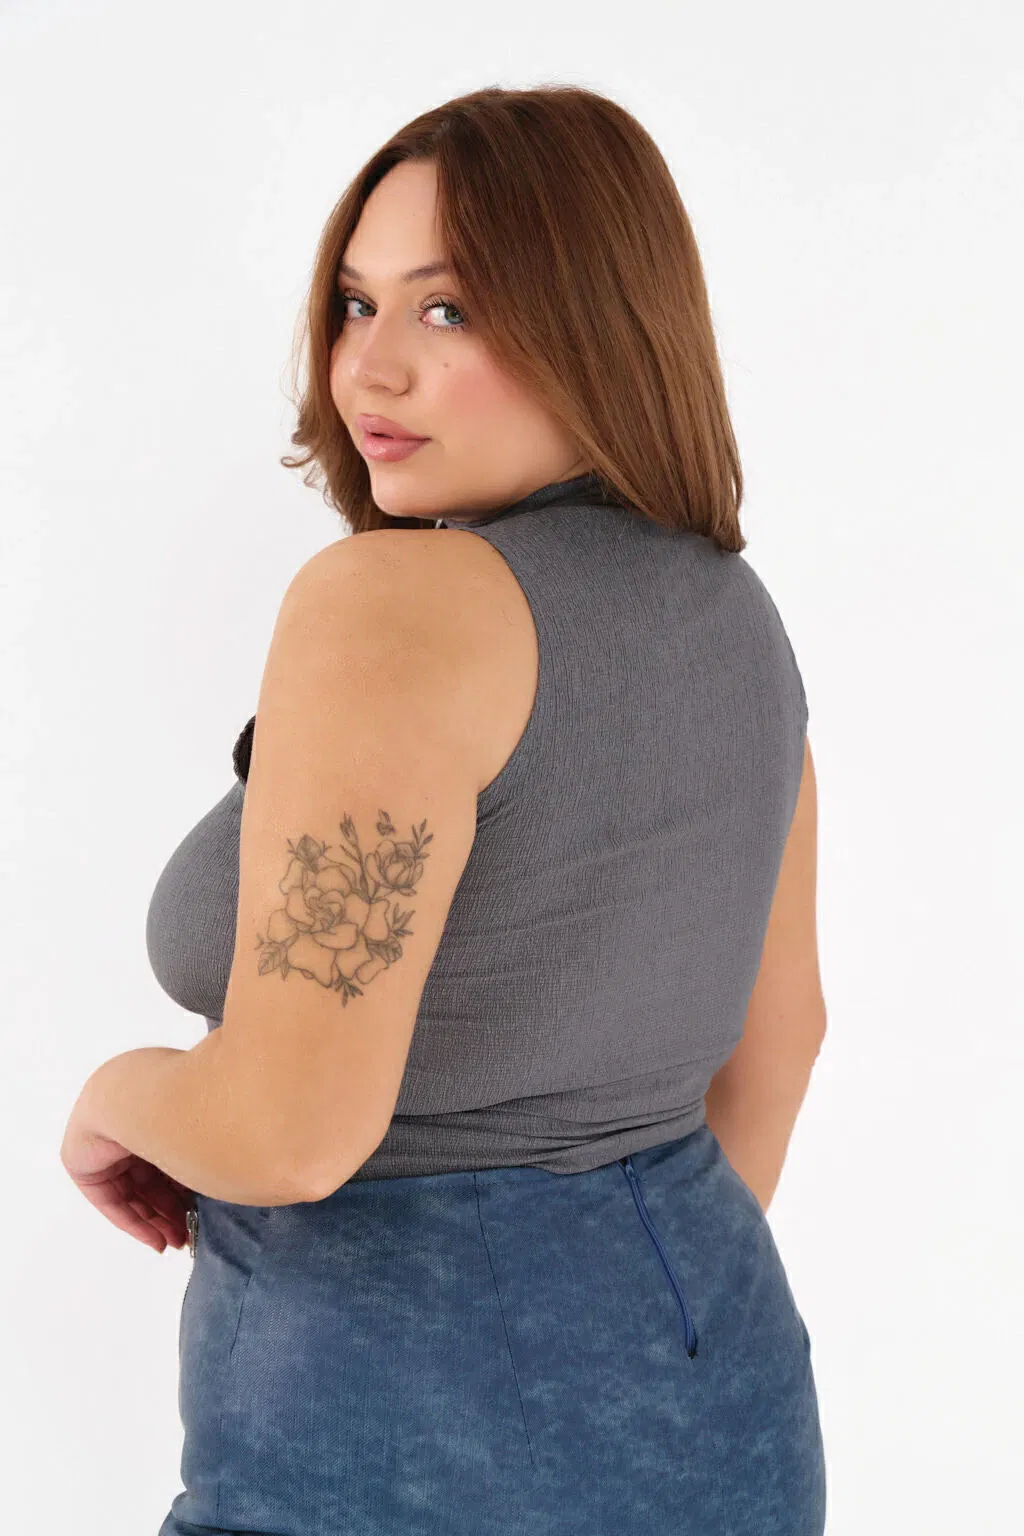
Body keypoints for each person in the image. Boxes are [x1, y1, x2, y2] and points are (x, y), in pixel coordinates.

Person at [70, 84, 828, 1534]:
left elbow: (292, 1132)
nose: (374, 367)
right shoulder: (740, 621)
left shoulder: (394, 604)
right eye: (356, 305)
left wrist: (114, 1096)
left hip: (381, 1435)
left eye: (449, 310)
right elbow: (779, 1042)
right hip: (720, 1401)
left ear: (596, 326)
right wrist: (600, 1344)